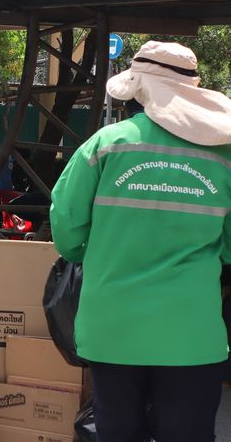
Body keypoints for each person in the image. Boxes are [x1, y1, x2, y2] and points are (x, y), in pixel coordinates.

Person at [49, 41, 231, 441]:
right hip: (191, 337)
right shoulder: (224, 155)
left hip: (111, 331)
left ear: (138, 91)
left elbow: (67, 232)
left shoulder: (104, 145)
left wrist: (101, 251)